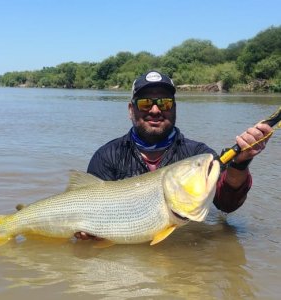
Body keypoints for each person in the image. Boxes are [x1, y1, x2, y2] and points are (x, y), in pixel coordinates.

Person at [74, 70, 273, 240]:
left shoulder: (198, 156)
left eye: (164, 103)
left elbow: (226, 204)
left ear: (174, 108)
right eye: (145, 103)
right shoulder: (107, 156)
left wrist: (240, 163)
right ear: (130, 110)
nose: (155, 110)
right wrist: (88, 237)